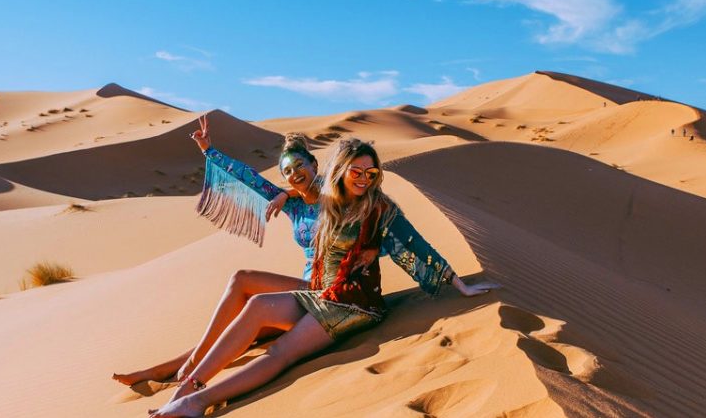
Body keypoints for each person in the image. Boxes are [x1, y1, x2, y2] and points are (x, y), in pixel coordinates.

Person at [148, 138, 499, 417]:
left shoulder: (379, 206)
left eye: (371, 173)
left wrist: (459, 283)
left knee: (280, 353)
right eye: (357, 172)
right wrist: (221, 157)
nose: (364, 179)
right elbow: (282, 183)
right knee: (256, 304)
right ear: (342, 171)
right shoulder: (326, 201)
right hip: (321, 294)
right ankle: (187, 388)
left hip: (356, 303)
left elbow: (415, 244)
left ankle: (197, 403)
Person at [113, 115, 322, 387]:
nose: (294, 174)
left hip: (327, 291)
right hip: (307, 286)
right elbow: (249, 178)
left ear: (314, 164)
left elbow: (339, 179)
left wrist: (286, 193)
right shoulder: (294, 206)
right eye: (287, 171)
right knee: (237, 330)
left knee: (242, 279)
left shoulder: (338, 193)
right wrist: (207, 150)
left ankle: (193, 363)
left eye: (300, 166)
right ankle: (158, 370)